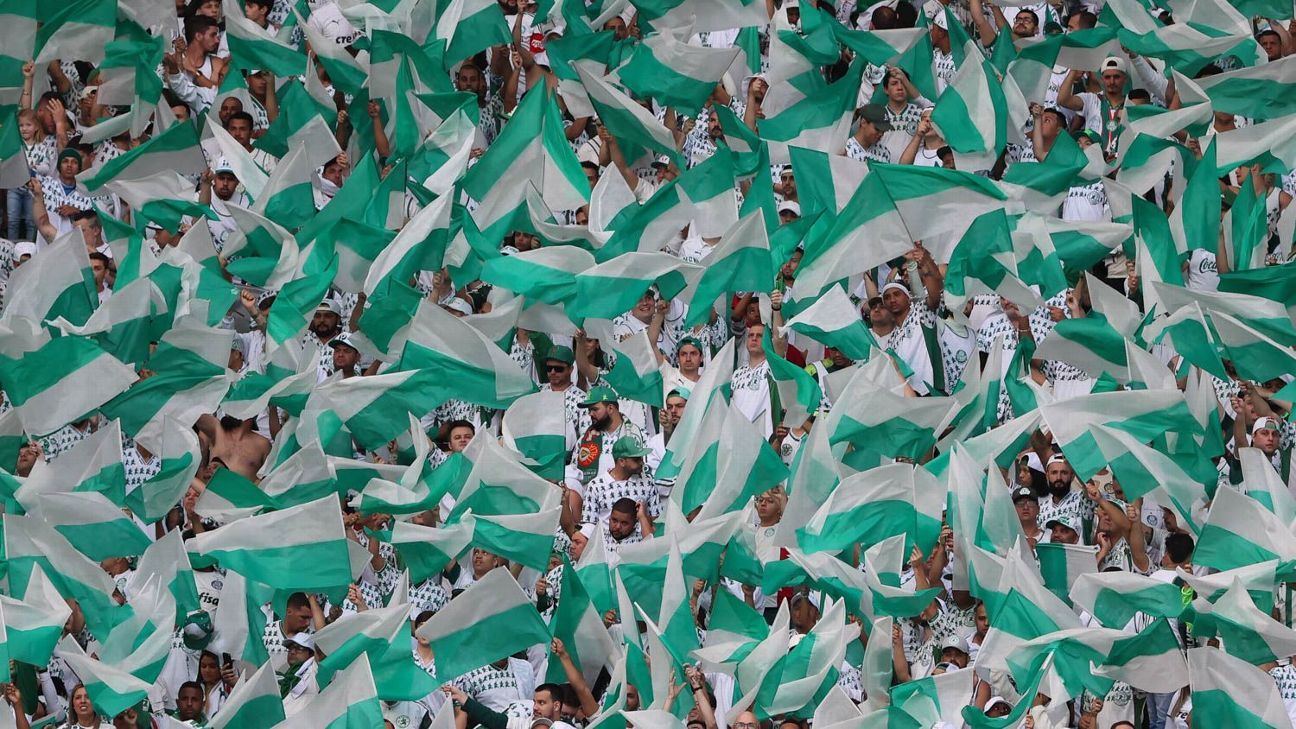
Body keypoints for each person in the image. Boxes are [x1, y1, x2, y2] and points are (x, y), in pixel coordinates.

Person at [582, 437, 660, 538]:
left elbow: (656, 523)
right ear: (622, 461)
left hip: (639, 548)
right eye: (636, 459)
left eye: (641, 458)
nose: (642, 462)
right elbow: (589, 525)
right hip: (607, 548)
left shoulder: (648, 483)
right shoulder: (596, 485)